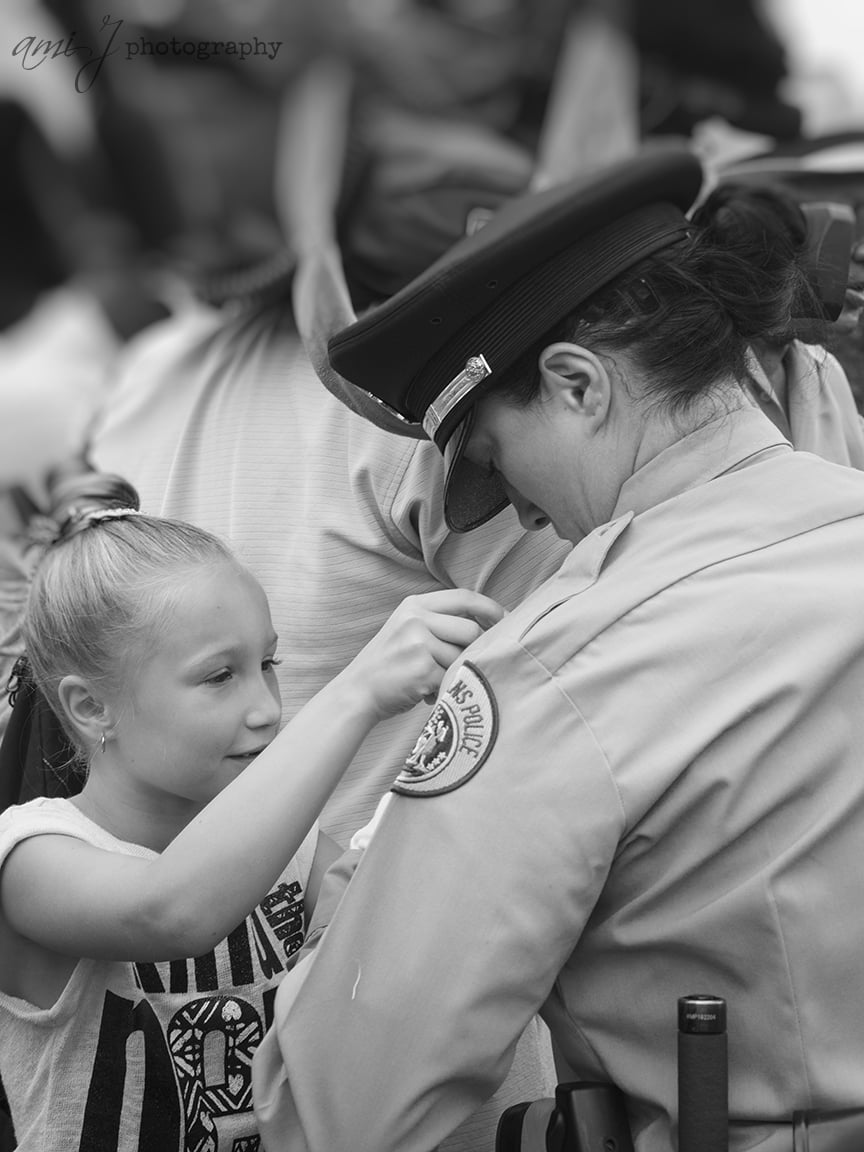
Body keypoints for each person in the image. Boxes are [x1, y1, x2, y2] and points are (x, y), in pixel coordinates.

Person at [250, 146, 864, 1151]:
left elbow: (337, 1114)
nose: (525, 515)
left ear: (578, 386)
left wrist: (356, 900)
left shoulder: (562, 664)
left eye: (495, 458)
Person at [0, 499, 504, 1149]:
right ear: (91, 706)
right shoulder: (30, 855)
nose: (266, 709)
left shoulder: (286, 849)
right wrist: (358, 692)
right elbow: (171, 911)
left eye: (269, 664)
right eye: (220, 676)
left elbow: (405, 945)